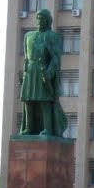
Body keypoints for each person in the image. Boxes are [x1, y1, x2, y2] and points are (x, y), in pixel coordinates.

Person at [20, 9, 68, 137]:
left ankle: (47, 128)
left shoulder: (52, 36)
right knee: (28, 100)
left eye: (42, 18)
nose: (40, 21)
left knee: (44, 101)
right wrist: (24, 73)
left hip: (42, 72)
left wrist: (49, 73)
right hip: (30, 72)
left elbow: (55, 58)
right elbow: (26, 57)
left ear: (48, 21)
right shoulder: (28, 36)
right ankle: (29, 128)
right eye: (38, 18)